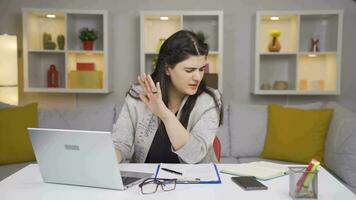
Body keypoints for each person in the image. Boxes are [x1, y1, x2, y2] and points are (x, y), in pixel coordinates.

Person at [112, 30, 223, 164]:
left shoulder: (209, 100)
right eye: (189, 70)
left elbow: (195, 155)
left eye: (201, 69)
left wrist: (164, 113)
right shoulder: (139, 96)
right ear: (167, 69)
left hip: (197, 182)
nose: (198, 77)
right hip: (147, 182)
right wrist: (109, 159)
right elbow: (120, 144)